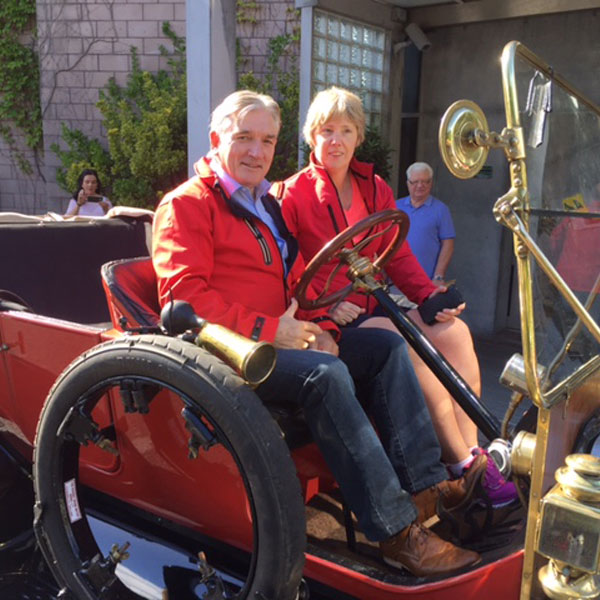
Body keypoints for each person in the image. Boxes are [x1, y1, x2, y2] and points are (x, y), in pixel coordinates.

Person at [153, 89, 486, 576]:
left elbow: (297, 277)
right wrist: (275, 331)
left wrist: (323, 326)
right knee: (325, 376)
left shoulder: (261, 203)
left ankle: (427, 490)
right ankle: (396, 534)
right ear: (216, 138)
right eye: (244, 138)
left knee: (384, 347)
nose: (257, 151)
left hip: (282, 338)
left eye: (267, 141)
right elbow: (183, 302)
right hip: (227, 355)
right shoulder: (187, 204)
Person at [275, 86, 516, 507]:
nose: (336, 140)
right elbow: (286, 267)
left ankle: (474, 453)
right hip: (334, 318)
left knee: (455, 333)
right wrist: (324, 304)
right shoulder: (292, 194)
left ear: (358, 136)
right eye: (327, 130)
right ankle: (460, 464)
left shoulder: (374, 188)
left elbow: (395, 252)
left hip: (374, 302)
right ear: (311, 136)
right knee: (408, 343)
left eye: (345, 130)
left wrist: (426, 294)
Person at [397, 162, 455, 283]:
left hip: (426, 281)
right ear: (408, 183)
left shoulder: (441, 210)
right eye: (415, 182)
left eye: (425, 181)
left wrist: (439, 276)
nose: (420, 186)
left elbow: (448, 245)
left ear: (431, 183)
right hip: (395, 280)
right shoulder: (395, 207)